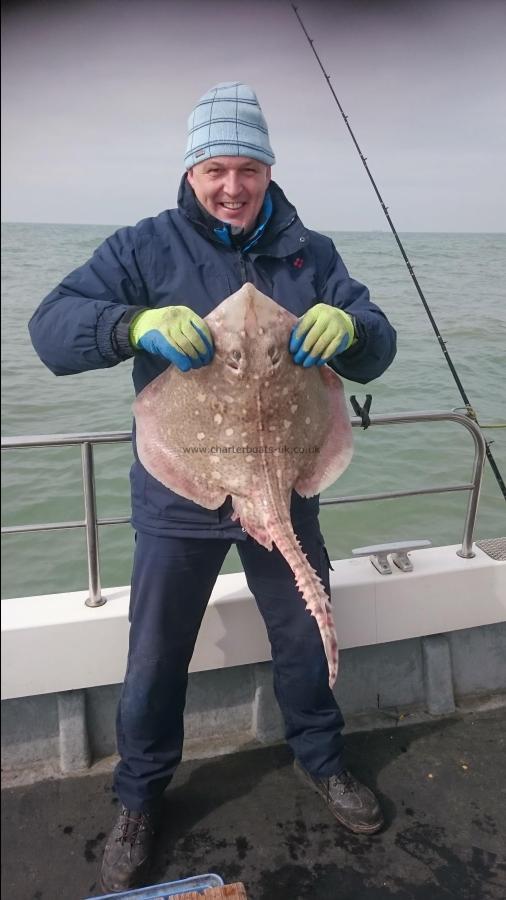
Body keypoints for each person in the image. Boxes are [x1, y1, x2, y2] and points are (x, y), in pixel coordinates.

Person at [29, 82, 397, 893]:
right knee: (156, 653)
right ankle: (138, 798)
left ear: (269, 171)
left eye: (249, 169)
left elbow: (377, 347)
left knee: (305, 635)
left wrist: (358, 330)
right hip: (182, 494)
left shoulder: (313, 255)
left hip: (286, 481)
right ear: (191, 172)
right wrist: (132, 325)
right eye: (215, 170)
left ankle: (324, 761)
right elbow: (50, 327)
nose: (232, 187)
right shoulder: (144, 248)